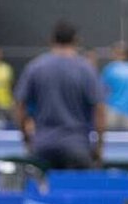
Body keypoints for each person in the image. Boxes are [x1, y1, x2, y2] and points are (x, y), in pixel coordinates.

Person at [14, 20, 106, 169]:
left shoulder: (35, 67)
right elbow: (99, 110)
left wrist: (26, 139)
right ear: (76, 40)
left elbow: (19, 105)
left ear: (51, 40)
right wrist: (99, 148)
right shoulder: (87, 69)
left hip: (43, 147)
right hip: (77, 147)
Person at [101, 41, 128, 130]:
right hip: (116, 110)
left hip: (124, 111)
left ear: (125, 54)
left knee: (112, 136)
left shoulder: (110, 69)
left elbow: (102, 89)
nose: (114, 55)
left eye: (116, 52)